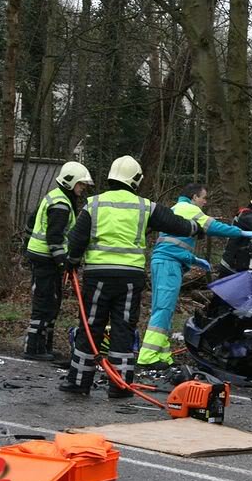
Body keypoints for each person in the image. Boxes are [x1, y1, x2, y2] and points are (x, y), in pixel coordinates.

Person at [58, 155, 203, 397]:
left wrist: (71, 262)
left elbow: (76, 240)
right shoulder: (145, 206)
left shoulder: (93, 205)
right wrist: (196, 228)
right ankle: (120, 385)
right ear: (135, 180)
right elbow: (176, 223)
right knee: (123, 329)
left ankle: (79, 382)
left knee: (90, 326)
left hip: (98, 277)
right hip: (129, 278)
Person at [136, 183, 252, 370]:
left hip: (166, 262)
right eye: (203, 198)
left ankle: (161, 353)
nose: (205, 202)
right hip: (168, 265)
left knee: (164, 309)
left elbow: (174, 245)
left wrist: (194, 259)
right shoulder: (188, 209)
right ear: (194, 197)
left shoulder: (177, 208)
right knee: (163, 309)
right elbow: (215, 227)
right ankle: (147, 356)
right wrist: (241, 232)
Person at [23, 161, 94, 361]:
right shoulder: (61, 204)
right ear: (71, 182)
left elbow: (31, 222)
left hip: (44, 258)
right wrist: (64, 262)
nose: (83, 188)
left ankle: (45, 346)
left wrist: (26, 247)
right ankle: (33, 348)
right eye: (81, 184)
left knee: (52, 303)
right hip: (46, 259)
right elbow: (54, 237)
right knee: (44, 303)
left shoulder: (55, 197)